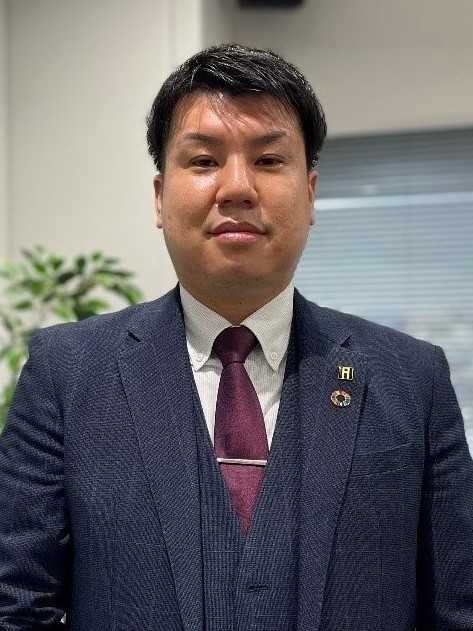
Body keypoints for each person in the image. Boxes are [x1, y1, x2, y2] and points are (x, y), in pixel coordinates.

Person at [0, 43, 472, 631]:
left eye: (269, 160)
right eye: (203, 161)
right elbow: (17, 604)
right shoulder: (66, 374)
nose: (237, 187)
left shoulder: (412, 380)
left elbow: (457, 609)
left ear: (311, 193)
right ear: (159, 196)